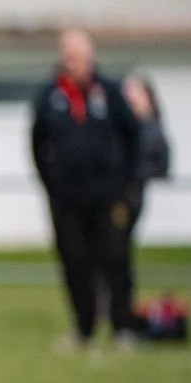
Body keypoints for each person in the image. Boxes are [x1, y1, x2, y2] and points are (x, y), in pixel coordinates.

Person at [31, 28, 143, 352]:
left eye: (78, 56)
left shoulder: (109, 91)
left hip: (108, 198)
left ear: (90, 56)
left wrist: (125, 184)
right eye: (68, 56)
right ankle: (84, 330)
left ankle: (123, 329)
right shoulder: (50, 95)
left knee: (116, 261)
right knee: (75, 264)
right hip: (66, 200)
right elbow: (37, 143)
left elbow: (133, 137)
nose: (73, 62)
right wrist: (51, 184)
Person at [120, 75, 172, 239]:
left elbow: (161, 166)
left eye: (136, 92)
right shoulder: (119, 130)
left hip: (134, 192)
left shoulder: (152, 130)